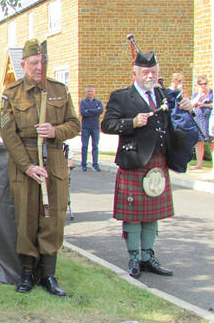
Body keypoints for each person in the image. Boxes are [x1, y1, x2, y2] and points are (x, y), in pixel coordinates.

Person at [0, 38, 81, 296]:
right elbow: (8, 134)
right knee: (26, 219)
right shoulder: (11, 93)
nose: (39, 68)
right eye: (33, 63)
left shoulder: (59, 90)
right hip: (25, 165)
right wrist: (26, 166)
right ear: (23, 64)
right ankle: (26, 273)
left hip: (54, 163)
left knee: (52, 220)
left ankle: (48, 275)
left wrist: (55, 131)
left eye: (42, 63)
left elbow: (75, 124)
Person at [101, 49, 192, 279]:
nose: (149, 75)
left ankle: (147, 256)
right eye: (145, 72)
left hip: (158, 161)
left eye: (153, 71)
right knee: (133, 213)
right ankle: (133, 257)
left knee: (152, 213)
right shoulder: (122, 97)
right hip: (134, 160)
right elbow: (107, 125)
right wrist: (131, 122)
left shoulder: (163, 94)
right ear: (136, 73)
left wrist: (187, 104)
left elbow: (179, 104)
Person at [190, 75, 213, 170]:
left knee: (211, 142)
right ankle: (199, 164)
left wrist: (205, 105)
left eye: (205, 84)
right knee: (199, 142)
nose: (204, 86)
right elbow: (192, 105)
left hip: (210, 120)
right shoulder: (196, 94)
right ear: (198, 85)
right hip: (199, 119)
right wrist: (199, 97)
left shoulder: (212, 93)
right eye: (201, 84)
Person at [79, 85, 104, 171]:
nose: (90, 93)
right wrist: (94, 111)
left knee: (95, 146)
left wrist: (89, 110)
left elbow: (100, 111)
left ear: (94, 92)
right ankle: (83, 165)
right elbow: (83, 112)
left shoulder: (98, 102)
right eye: (88, 91)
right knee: (85, 146)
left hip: (95, 127)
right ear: (86, 92)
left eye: (91, 91)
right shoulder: (83, 102)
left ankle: (95, 165)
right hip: (85, 127)